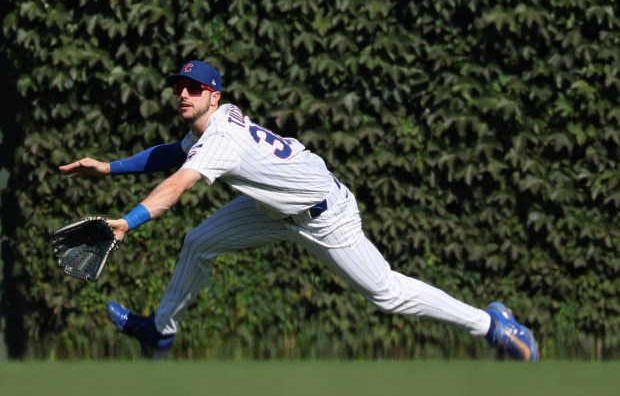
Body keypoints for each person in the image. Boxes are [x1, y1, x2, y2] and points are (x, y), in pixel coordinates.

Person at [59, 60, 539, 361]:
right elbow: (174, 154)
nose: (183, 94)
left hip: (325, 215)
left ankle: (493, 325)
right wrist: (110, 167)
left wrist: (128, 221)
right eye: (178, 87)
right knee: (198, 243)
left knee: (387, 294)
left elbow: (178, 184)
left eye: (194, 88)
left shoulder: (221, 137)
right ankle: (160, 333)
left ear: (214, 94)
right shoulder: (213, 123)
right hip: (273, 209)